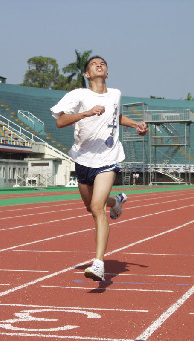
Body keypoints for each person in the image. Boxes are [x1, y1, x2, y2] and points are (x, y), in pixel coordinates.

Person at [51, 56, 148, 281]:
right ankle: (117, 202)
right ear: (87, 74)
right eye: (94, 63)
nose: (99, 64)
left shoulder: (115, 94)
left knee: (97, 208)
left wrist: (136, 125)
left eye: (102, 63)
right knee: (90, 206)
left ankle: (98, 263)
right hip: (83, 159)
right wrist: (86, 113)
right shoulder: (79, 95)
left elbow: (116, 116)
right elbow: (60, 121)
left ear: (107, 73)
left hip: (108, 158)